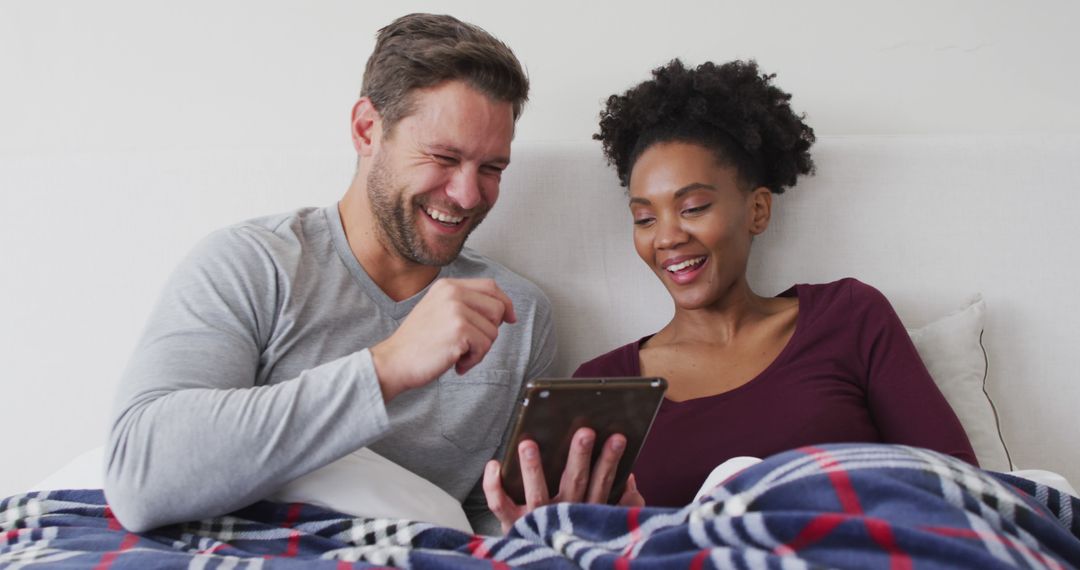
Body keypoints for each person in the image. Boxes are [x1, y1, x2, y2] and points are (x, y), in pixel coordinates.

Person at [103, 13, 629, 536]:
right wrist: (388, 366)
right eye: (443, 157)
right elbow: (139, 475)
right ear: (366, 130)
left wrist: (538, 524)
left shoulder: (518, 314)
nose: (468, 195)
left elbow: (478, 518)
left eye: (492, 169)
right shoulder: (252, 265)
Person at [574, 59, 978, 507]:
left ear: (758, 211)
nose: (667, 237)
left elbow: (960, 489)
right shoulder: (602, 384)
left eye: (692, 208)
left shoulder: (848, 318)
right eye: (645, 218)